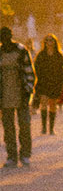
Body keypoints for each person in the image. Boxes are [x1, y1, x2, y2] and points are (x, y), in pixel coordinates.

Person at [0, 27, 36, 167]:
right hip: (4, 95)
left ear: (11, 36)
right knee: (8, 127)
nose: (5, 39)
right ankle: (12, 156)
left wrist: (29, 90)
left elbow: (29, 73)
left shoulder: (21, 51)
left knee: (24, 125)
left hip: (21, 93)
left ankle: (25, 154)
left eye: (7, 36)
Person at [32, 34, 63, 136]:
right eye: (47, 40)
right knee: (43, 103)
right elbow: (36, 69)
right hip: (43, 82)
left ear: (55, 42)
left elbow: (62, 70)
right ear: (45, 42)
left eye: (51, 40)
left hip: (55, 82)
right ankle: (43, 127)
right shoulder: (41, 55)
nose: (49, 42)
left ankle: (51, 128)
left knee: (53, 105)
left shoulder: (59, 56)